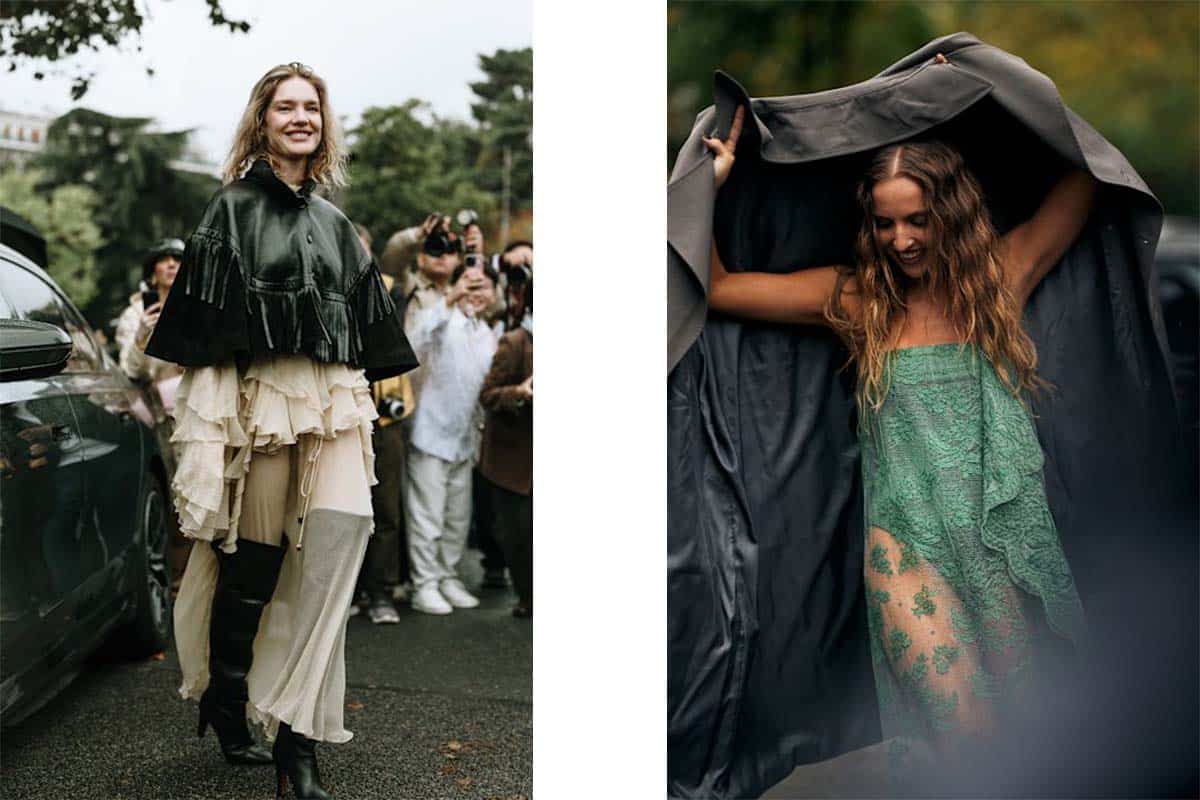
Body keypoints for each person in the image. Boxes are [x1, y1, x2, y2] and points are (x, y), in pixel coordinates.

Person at [704, 106, 1093, 761]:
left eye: (919, 219)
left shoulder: (1001, 277)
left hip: (1002, 542)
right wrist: (709, 186)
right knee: (969, 737)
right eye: (885, 223)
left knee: (1035, 739)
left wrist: (968, 91)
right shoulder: (859, 300)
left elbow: (1087, 175)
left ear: (954, 211)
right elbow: (718, 289)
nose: (902, 239)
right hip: (904, 551)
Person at [144, 62, 416, 800]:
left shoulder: (336, 227)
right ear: (262, 120)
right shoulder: (229, 208)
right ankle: (225, 700)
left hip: (332, 406)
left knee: (334, 555)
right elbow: (200, 339)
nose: (301, 118)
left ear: (324, 124)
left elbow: (373, 334)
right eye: (286, 107)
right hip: (261, 406)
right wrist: (215, 430)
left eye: (312, 108)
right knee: (252, 571)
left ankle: (298, 748)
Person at [404, 261, 500, 614]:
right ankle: (424, 584)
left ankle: (447, 576)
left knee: (457, 517)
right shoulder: (442, 321)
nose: (475, 295)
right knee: (427, 515)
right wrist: (449, 300)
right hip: (431, 432)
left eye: (483, 288)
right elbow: (414, 342)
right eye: (468, 287)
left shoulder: (487, 332)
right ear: (456, 287)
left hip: (465, 438)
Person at [479, 255, 533, 617]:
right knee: (521, 537)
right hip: (514, 460)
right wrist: (520, 393)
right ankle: (528, 597)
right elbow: (487, 395)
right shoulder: (516, 342)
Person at [114, 238, 186, 389]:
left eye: (178, 260)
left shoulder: (199, 310)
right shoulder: (133, 315)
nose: (172, 264)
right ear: (152, 275)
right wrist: (141, 338)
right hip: (154, 404)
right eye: (164, 260)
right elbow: (131, 372)